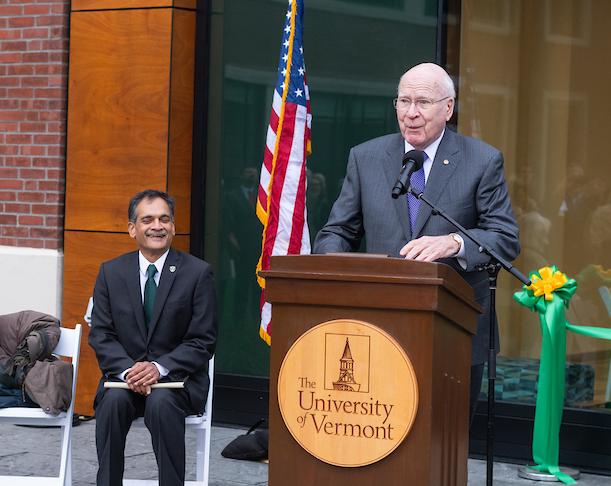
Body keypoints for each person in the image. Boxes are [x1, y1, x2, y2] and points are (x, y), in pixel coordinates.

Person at [313, 63, 519, 422]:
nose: (410, 113)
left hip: (454, 329)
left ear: (448, 107)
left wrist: (453, 242)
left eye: (422, 102)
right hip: (376, 323)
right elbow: (337, 232)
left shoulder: (482, 161)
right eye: (403, 101)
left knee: (444, 439)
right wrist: (338, 268)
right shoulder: (367, 157)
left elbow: (504, 238)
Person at [89, 189, 217, 486]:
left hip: (177, 382)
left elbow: (203, 340)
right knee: (112, 403)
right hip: (124, 378)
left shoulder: (198, 274)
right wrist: (130, 371)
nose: (157, 226)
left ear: (173, 226)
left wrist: (157, 368)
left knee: (161, 403)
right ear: (132, 228)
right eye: (147, 219)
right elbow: (102, 334)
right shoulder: (111, 272)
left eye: (164, 219)